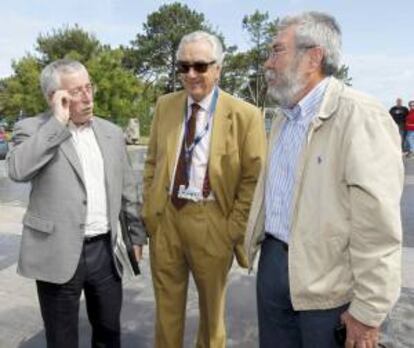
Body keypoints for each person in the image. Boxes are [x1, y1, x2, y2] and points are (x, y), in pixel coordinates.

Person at [244, 11, 403, 348]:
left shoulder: (361, 117)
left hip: (329, 286)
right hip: (273, 265)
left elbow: (378, 227)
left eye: (276, 51)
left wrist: (368, 310)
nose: (267, 63)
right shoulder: (283, 119)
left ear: (312, 57)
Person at [8, 59, 146, 348]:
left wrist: (136, 232)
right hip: (56, 252)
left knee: (109, 333)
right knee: (62, 339)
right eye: (77, 91)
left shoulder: (110, 132)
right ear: (55, 98)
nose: (88, 96)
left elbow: (127, 188)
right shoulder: (32, 129)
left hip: (105, 252)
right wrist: (58, 122)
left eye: (89, 87)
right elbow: (18, 170)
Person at [142, 31, 266, 348]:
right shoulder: (165, 105)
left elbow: (255, 177)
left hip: (212, 221)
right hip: (167, 218)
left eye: (199, 66)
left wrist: (233, 227)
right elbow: (153, 162)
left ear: (218, 69)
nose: (191, 75)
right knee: (166, 312)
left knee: (212, 319)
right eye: (183, 67)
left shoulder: (245, 115)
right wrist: (150, 210)